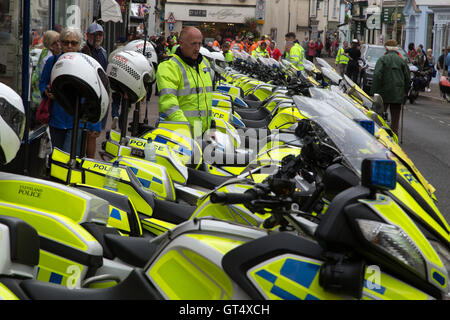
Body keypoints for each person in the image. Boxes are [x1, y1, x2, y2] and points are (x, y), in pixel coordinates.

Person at [39, 27, 102, 155]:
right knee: (57, 157)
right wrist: (46, 91)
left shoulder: (87, 63)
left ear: (80, 45)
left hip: (78, 120)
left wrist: (95, 124)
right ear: (60, 43)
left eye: (73, 43)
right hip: (56, 120)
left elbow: (97, 93)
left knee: (69, 158)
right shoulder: (52, 61)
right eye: (65, 42)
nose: (69, 46)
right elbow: (42, 83)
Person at [156, 26, 214, 140]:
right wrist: (185, 130)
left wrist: (211, 123)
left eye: (199, 44)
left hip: (200, 132)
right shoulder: (169, 66)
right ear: (181, 44)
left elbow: (206, 99)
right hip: (179, 134)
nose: (197, 48)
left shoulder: (204, 64)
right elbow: (169, 104)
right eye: (193, 44)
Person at [371, 39, 410, 136]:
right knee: (395, 119)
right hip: (398, 93)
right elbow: (407, 77)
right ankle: (394, 137)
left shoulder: (382, 59)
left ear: (386, 48)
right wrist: (405, 92)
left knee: (380, 117)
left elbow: (376, 75)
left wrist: (374, 92)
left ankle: (381, 136)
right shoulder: (401, 60)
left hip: (384, 92)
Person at [81, 22, 108, 158]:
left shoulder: (103, 53)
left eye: (100, 34)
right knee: (81, 132)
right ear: (87, 35)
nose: (97, 37)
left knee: (93, 134)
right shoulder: (82, 50)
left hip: (97, 97)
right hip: (83, 96)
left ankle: (89, 164)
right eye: (94, 34)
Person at [31, 30, 61, 107]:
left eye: (59, 41)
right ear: (49, 45)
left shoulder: (49, 53)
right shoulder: (48, 58)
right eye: (54, 43)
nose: (58, 44)